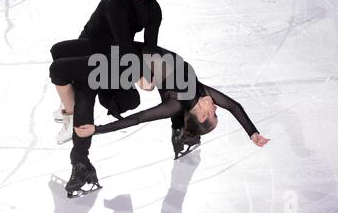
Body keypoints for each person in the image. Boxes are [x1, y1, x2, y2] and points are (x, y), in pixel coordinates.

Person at [50, 43, 270, 197]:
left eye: (214, 113)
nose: (216, 108)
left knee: (75, 78)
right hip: (121, 47)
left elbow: (137, 118)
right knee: (59, 51)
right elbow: (234, 106)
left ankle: (81, 162)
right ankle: (182, 133)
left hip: (119, 66)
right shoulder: (202, 92)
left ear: (202, 114)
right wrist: (252, 132)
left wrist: (98, 129)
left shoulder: (174, 103)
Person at [50, 0, 165, 144]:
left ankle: (71, 108)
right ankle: (70, 110)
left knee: (71, 75)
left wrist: (149, 75)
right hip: (92, 44)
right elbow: (123, 41)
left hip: (114, 52)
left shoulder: (154, 10)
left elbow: (150, 45)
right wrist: (139, 73)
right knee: (61, 57)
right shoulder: (117, 2)